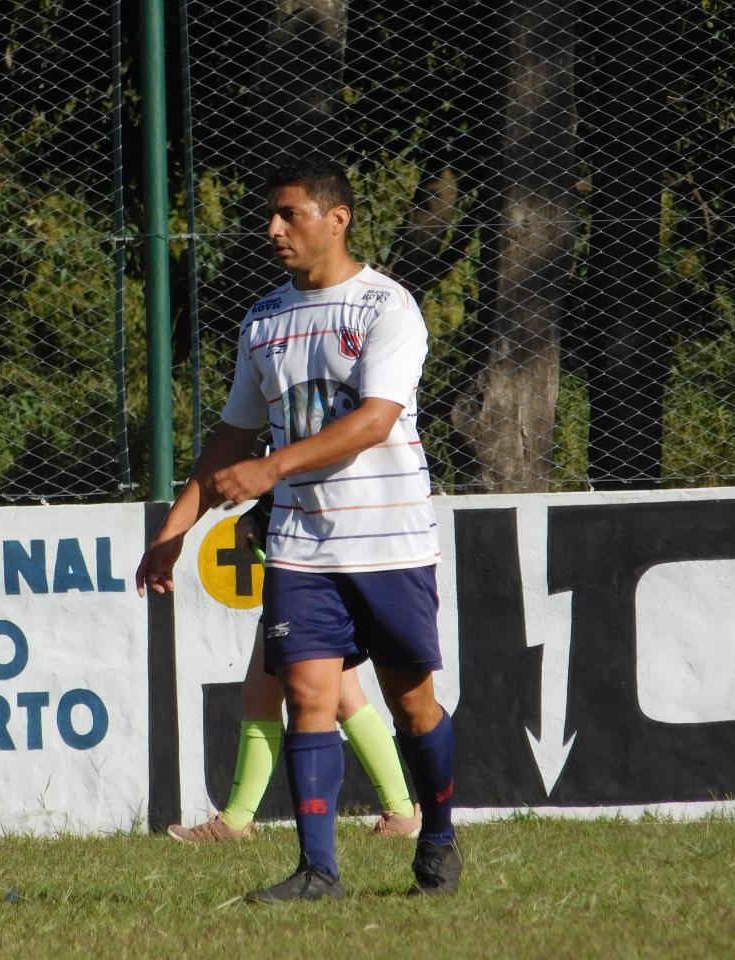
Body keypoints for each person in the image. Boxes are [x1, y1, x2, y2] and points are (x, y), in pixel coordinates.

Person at [136, 156, 461, 902]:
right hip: (300, 547)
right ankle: (318, 871)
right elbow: (231, 437)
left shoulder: (386, 307)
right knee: (308, 694)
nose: (273, 229)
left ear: (337, 219)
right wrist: (173, 533)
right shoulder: (264, 320)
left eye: (290, 214)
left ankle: (438, 837)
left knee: (412, 704)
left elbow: (374, 421)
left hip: (388, 543)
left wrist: (271, 470)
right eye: (271, 216)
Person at [166, 497, 422, 843]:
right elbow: (290, 485)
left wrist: (258, 511)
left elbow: (299, 481)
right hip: (306, 577)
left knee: (317, 698)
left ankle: (237, 821)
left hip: (307, 582)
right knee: (282, 696)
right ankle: (401, 813)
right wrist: (257, 516)